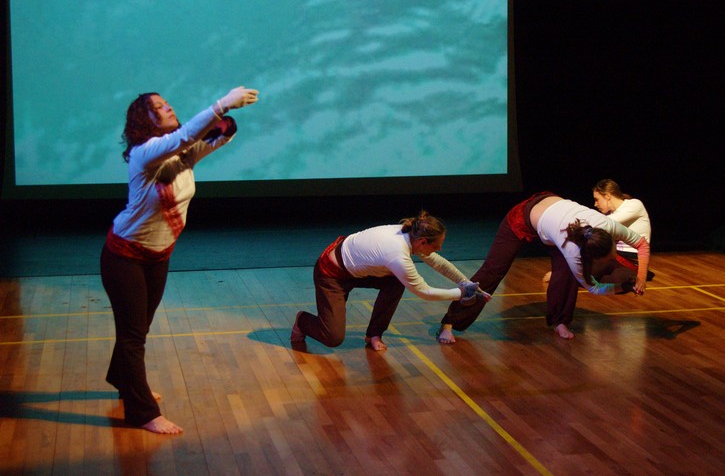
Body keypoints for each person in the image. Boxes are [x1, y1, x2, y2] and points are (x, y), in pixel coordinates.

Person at [100, 85, 259, 434]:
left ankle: (122, 378)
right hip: (124, 257)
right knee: (133, 334)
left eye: (167, 103)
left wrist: (227, 122)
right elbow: (186, 135)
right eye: (159, 107)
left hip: (158, 256)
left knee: (138, 327)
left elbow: (215, 138)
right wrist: (221, 104)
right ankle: (141, 412)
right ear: (145, 120)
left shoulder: (181, 156)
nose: (168, 107)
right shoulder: (145, 154)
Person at [437, 192, 650, 344]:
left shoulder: (609, 227)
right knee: (492, 271)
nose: (613, 257)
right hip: (523, 217)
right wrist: (621, 287)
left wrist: (640, 277)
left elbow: (642, 244)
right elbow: (593, 287)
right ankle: (449, 323)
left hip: (554, 217)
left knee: (565, 274)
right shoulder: (572, 250)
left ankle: (560, 322)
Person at [291, 211, 491, 351]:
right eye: (437, 245)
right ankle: (302, 321)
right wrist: (461, 294)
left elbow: (438, 262)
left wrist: (466, 283)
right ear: (423, 242)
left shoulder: (411, 233)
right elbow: (424, 291)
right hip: (332, 275)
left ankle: (374, 334)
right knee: (332, 337)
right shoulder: (397, 254)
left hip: (358, 269)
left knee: (395, 282)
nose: (439, 249)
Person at [592, 178, 652, 273]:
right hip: (617, 255)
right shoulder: (609, 213)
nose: (595, 204)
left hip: (632, 258)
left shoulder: (634, 205)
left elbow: (603, 223)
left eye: (597, 200)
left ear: (607, 196)